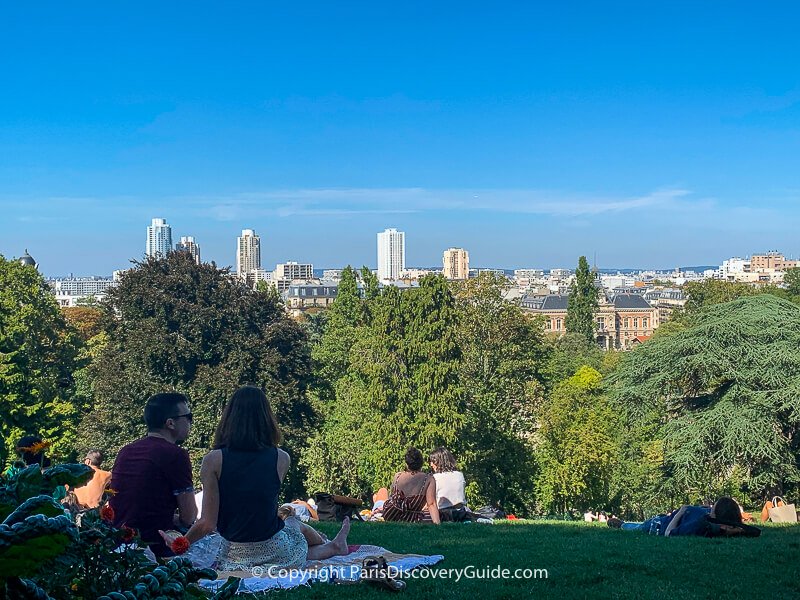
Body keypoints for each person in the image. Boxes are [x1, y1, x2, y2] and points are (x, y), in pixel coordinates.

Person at [159, 385, 351, 572]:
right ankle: (331, 545)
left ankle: (332, 546)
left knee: (292, 528)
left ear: (229, 419)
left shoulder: (214, 460)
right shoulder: (282, 458)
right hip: (275, 549)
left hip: (235, 555)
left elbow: (208, 523)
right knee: (293, 525)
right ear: (267, 419)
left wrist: (182, 543)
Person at [109, 392, 197, 557]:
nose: (190, 422)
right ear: (170, 423)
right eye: (188, 417)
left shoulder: (126, 452)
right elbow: (189, 516)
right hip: (155, 546)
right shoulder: (175, 455)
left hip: (120, 543)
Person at [608, 497, 760, 537]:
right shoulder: (710, 519)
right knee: (639, 524)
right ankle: (624, 523)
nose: (711, 507)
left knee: (638, 527)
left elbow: (669, 533)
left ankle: (621, 524)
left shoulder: (701, 525)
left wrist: (681, 511)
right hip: (663, 519)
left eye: (713, 507)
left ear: (717, 514)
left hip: (658, 526)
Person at [381, 447, 441, 524]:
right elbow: (431, 504)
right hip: (412, 517)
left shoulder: (397, 476)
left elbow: (392, 497)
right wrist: (437, 524)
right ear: (421, 462)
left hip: (391, 514)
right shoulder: (428, 479)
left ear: (407, 463)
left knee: (381, 492)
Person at [429, 447, 466, 521]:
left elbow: (431, 502)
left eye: (432, 461)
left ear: (437, 462)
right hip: (461, 513)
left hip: (443, 514)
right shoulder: (459, 475)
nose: (431, 465)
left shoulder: (434, 478)